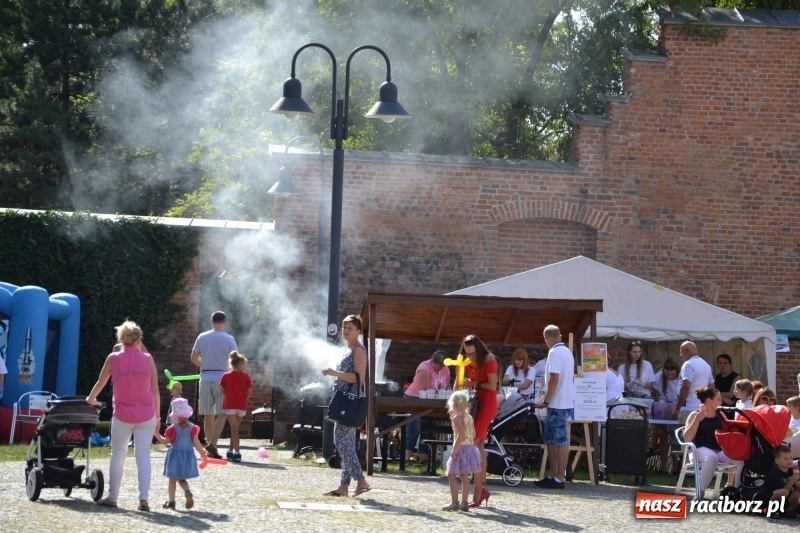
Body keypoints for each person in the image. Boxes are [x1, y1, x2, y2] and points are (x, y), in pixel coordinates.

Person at [86, 320, 160, 511]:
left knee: (118, 455)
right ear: (139, 340)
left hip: (122, 415)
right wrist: (158, 416)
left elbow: (100, 383)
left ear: (121, 340)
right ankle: (143, 499)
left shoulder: (113, 358)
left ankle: (113, 497)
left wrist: (91, 398)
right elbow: (155, 390)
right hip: (147, 414)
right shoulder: (148, 359)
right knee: (143, 456)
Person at [321, 315, 371, 497]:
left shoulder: (358, 350)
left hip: (350, 401)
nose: (346, 331)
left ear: (358, 331)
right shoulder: (347, 349)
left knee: (341, 442)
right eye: (344, 327)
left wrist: (335, 373)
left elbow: (359, 378)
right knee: (346, 443)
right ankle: (343, 486)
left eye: (350, 328)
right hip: (342, 399)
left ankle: (361, 480)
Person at [190, 311, 238, 460]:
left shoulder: (202, 337)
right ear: (225, 322)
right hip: (223, 378)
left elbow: (193, 358)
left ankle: (210, 444)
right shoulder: (229, 339)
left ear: (211, 322)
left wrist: (203, 363)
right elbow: (235, 361)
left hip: (205, 377)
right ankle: (213, 444)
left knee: (208, 415)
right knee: (222, 414)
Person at [459, 334, 498, 507]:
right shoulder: (465, 361)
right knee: (479, 445)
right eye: (467, 353)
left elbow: (492, 385)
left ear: (479, 350)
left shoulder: (488, 359)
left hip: (487, 403)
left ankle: (478, 491)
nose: (470, 357)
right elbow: (460, 383)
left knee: (475, 443)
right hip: (476, 403)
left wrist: (473, 383)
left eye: (473, 353)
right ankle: (480, 491)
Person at [682, 386, 742, 498]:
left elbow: (728, 433)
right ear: (709, 400)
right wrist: (697, 420)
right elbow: (687, 438)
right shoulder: (695, 415)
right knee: (711, 457)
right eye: (718, 399)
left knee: (740, 458)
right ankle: (700, 492)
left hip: (719, 451)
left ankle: (739, 492)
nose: (721, 402)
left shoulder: (721, 415)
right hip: (698, 450)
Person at [534, 325, 574, 490]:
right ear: (560, 336)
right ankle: (553, 475)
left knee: (560, 440)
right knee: (551, 439)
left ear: (546, 339)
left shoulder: (554, 353)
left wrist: (546, 400)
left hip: (557, 402)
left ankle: (558, 477)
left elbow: (554, 379)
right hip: (563, 401)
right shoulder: (567, 352)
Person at [403, 349, 451, 463]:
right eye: (438, 365)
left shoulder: (445, 369)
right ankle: (405, 459)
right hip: (414, 398)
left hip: (433, 402)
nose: (440, 369)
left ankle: (423, 458)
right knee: (414, 428)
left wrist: (449, 392)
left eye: (442, 366)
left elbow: (447, 386)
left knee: (427, 428)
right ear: (432, 361)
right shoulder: (424, 368)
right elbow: (425, 390)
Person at [159, 397, 207, 510]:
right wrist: (202, 452)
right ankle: (187, 491)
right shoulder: (192, 428)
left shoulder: (172, 429)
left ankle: (171, 501)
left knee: (172, 480)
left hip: (175, 458)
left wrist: (156, 433)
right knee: (182, 479)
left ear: (175, 416)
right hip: (187, 457)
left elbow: (165, 442)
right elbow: (196, 442)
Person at [441, 390, 482, 512]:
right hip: (470, 448)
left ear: (452, 404)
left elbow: (461, 434)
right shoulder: (469, 417)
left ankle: (454, 502)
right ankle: (464, 502)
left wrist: (454, 449)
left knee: (451, 475)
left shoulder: (457, 418)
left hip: (461, 448)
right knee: (464, 476)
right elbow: (473, 434)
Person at [219, 350, 252, 463]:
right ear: (239, 364)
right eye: (244, 364)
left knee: (234, 429)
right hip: (241, 405)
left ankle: (231, 450)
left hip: (230, 405)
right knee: (235, 429)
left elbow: (222, 390)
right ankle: (236, 452)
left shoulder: (225, 376)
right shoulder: (246, 377)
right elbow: (248, 392)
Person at [650, 358, 681, 474]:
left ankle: (675, 468)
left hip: (676, 409)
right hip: (663, 410)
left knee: (674, 438)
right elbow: (656, 395)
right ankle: (663, 468)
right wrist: (660, 407)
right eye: (668, 374)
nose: (670, 376)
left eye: (672, 374)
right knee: (662, 437)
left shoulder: (681, 378)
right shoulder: (659, 377)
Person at [752, 445, 800, 516]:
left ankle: (786, 511)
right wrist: (792, 480)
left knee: (798, 493)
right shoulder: (774, 473)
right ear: (777, 461)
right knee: (784, 492)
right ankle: (768, 510)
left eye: (791, 458)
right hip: (765, 500)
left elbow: (795, 484)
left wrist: (796, 480)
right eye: (785, 458)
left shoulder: (790, 470)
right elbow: (785, 491)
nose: (789, 461)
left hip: (781, 500)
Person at [672, 341, 714, 422]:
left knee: (686, 430)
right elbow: (711, 388)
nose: (680, 355)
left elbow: (686, 387)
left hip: (688, 408)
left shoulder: (688, 365)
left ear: (687, 351)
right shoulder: (706, 365)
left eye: (681, 352)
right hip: (702, 408)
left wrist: (677, 408)